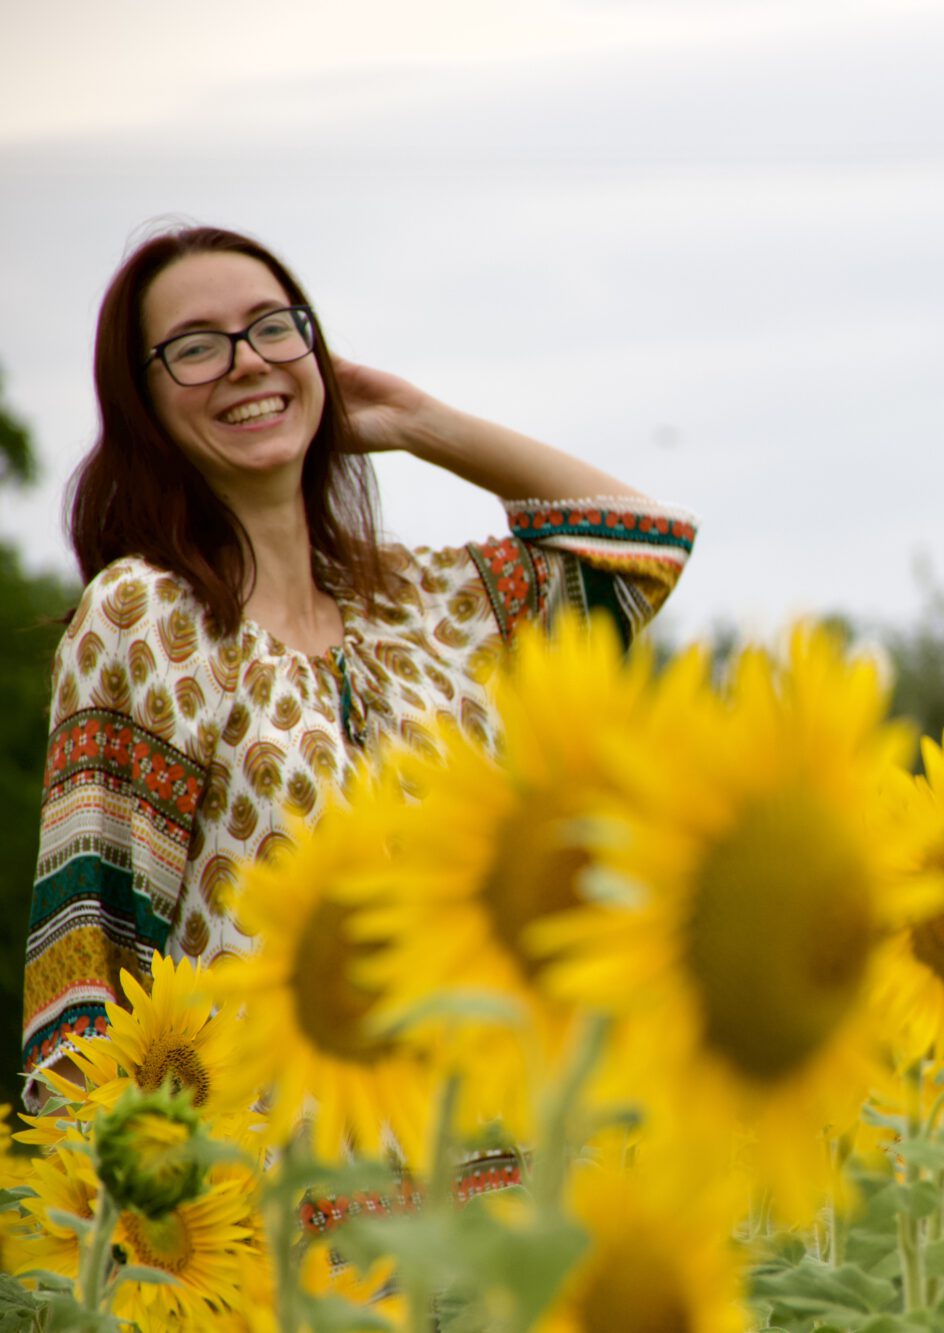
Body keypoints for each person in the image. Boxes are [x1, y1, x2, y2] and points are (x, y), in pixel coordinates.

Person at [20, 224, 697, 1109]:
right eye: (195, 348)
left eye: (273, 327)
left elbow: (639, 550)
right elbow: (90, 947)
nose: (246, 362)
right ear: (142, 402)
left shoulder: (420, 608)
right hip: (266, 1201)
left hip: (484, 1190)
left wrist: (419, 422)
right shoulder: (147, 618)